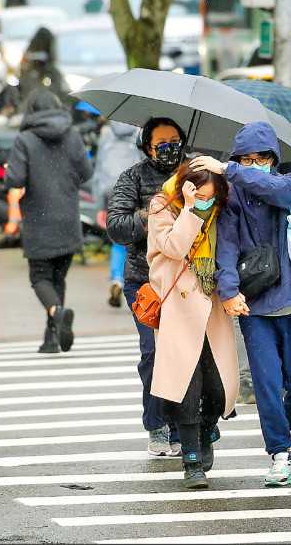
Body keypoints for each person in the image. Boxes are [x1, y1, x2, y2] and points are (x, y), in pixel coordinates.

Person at [213, 121, 291, 487]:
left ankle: (289, 428)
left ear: (273, 158)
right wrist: (228, 290)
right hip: (255, 308)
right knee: (267, 384)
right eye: (244, 158)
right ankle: (278, 452)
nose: (251, 164)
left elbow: (275, 190)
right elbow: (224, 247)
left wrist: (231, 170)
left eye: (258, 158)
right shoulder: (232, 196)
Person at [107, 116, 197, 457]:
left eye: (175, 141)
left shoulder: (196, 173)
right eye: (161, 144)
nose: (170, 149)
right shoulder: (132, 178)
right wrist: (156, 217)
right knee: (154, 352)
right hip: (145, 283)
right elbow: (115, 226)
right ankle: (157, 424)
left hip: (187, 282)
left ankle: (185, 425)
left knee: (187, 355)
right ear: (147, 147)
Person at [147, 160, 239, 489]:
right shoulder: (162, 205)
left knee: (217, 385)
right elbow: (174, 247)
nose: (205, 202)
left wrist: (227, 170)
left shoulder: (223, 210)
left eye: (210, 198)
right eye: (199, 195)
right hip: (178, 306)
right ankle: (191, 460)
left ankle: (207, 427)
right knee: (186, 384)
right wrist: (189, 209)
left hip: (212, 303)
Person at [4, 88, 93, 354]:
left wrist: (10, 172)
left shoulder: (25, 140)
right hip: (68, 216)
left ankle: (56, 313)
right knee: (58, 278)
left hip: (39, 218)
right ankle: (51, 336)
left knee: (40, 277)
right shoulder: (73, 135)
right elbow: (86, 172)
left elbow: (15, 180)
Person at [90, 120, 144, 308]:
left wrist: (100, 204)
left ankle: (117, 278)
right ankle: (138, 288)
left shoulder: (106, 132)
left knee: (118, 238)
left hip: (109, 190)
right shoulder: (139, 132)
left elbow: (98, 169)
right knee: (136, 238)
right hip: (133, 188)